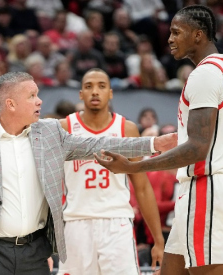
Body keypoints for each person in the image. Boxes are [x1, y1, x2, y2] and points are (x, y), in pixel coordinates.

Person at [0, 71, 176, 275]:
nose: (40, 101)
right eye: (33, 96)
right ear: (10, 104)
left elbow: (98, 143)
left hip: (35, 251)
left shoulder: (50, 132)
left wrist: (152, 143)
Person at [94, 5, 223, 275]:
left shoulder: (204, 74)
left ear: (198, 35)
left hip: (207, 187)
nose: (169, 39)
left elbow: (197, 148)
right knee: (171, 270)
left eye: (177, 32)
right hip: (216, 185)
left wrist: (133, 167)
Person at [57, 68, 164, 275]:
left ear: (111, 93)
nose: (95, 92)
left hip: (117, 222)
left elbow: (142, 187)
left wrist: (158, 240)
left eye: (101, 86)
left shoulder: (126, 129)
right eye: (89, 87)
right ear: (81, 94)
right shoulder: (65, 127)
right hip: (75, 223)